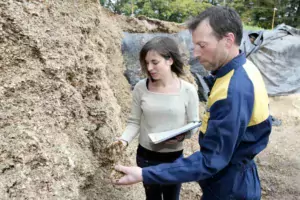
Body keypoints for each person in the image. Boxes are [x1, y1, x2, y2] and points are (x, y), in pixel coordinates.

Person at [112, 6, 272, 200]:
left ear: (228, 40)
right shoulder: (242, 71)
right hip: (233, 177)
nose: (195, 53)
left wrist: (145, 174)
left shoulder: (233, 89)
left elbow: (211, 160)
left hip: (229, 187)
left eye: (202, 45)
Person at [109, 36, 199, 200]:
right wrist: (123, 140)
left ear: (169, 60)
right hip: (146, 157)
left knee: (172, 197)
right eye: (146, 62)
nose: (149, 67)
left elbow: (194, 124)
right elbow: (134, 122)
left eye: (154, 62)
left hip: (173, 159)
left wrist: (183, 136)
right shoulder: (140, 88)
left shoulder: (188, 90)